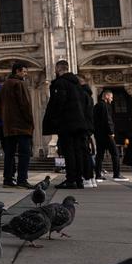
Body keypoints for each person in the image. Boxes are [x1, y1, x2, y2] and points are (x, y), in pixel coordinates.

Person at [45, 60, 92, 189]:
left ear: (58, 69)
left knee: (68, 151)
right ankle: (79, 180)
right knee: (78, 151)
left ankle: (71, 179)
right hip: (79, 123)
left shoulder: (60, 83)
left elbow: (58, 103)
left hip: (67, 123)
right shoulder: (77, 85)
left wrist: (54, 120)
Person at [0, 62, 34, 189]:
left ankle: (7, 179)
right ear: (17, 71)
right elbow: (25, 104)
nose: (26, 74)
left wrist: (5, 119)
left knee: (9, 153)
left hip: (8, 126)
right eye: (24, 71)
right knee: (25, 153)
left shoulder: (4, 85)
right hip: (21, 125)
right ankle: (22, 179)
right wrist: (30, 121)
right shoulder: (20, 84)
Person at [94, 90, 128, 182]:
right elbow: (107, 120)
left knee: (99, 155)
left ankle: (98, 175)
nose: (112, 100)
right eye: (111, 97)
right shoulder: (104, 106)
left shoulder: (96, 106)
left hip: (98, 134)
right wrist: (111, 132)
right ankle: (116, 174)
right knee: (115, 154)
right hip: (106, 134)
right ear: (106, 96)